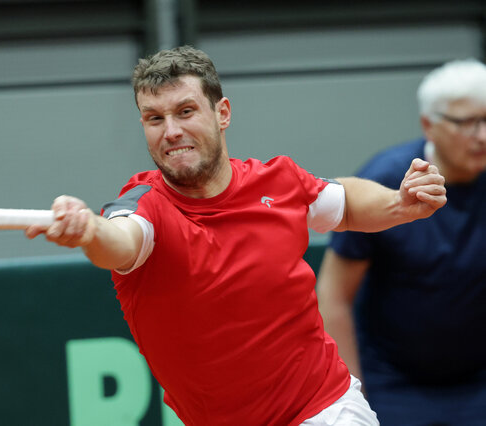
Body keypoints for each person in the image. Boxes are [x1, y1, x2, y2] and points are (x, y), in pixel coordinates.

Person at [26, 46, 447, 425]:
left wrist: (398, 204)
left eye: (185, 111)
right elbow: (118, 241)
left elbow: (346, 202)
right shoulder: (144, 205)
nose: (170, 131)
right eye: (155, 118)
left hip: (323, 408)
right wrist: (86, 231)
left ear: (222, 113)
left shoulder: (279, 181)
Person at [316, 59, 486, 425]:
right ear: (429, 125)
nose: (483, 135)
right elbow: (333, 294)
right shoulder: (387, 181)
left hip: (478, 382)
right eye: (467, 122)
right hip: (393, 384)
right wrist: (351, 393)